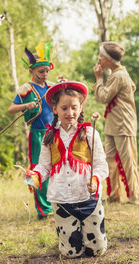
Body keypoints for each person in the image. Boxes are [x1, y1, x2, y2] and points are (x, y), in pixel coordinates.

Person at [24, 80, 109, 258]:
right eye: (64, 108)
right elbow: (44, 166)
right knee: (71, 253)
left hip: (88, 198)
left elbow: (101, 164)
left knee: (96, 251)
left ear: (80, 107)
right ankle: (70, 240)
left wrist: (95, 179)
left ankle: (92, 237)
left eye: (74, 108)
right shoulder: (49, 136)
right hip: (63, 200)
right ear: (55, 109)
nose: (70, 113)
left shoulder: (90, 133)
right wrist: (35, 175)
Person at [8, 43, 55, 219]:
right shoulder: (26, 89)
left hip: (54, 132)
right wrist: (26, 105)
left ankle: (56, 203)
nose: (44, 75)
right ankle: (42, 209)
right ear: (32, 71)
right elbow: (11, 109)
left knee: (56, 168)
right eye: (41, 71)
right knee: (37, 169)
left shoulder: (51, 87)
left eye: (46, 71)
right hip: (37, 134)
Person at [93, 41, 139, 204]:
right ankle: (114, 195)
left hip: (123, 124)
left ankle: (134, 197)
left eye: (101, 57)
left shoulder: (119, 76)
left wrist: (99, 78)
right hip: (113, 123)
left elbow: (104, 97)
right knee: (109, 159)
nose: (99, 60)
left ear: (108, 60)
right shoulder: (118, 74)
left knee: (128, 161)